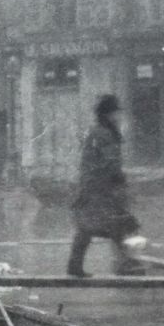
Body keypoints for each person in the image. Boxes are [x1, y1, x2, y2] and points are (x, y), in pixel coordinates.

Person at [67, 94, 145, 278]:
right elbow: (110, 164)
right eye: (116, 113)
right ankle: (128, 265)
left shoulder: (98, 132)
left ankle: (77, 266)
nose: (119, 116)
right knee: (119, 224)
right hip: (100, 189)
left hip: (92, 188)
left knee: (91, 227)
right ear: (109, 114)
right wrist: (119, 181)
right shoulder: (105, 134)